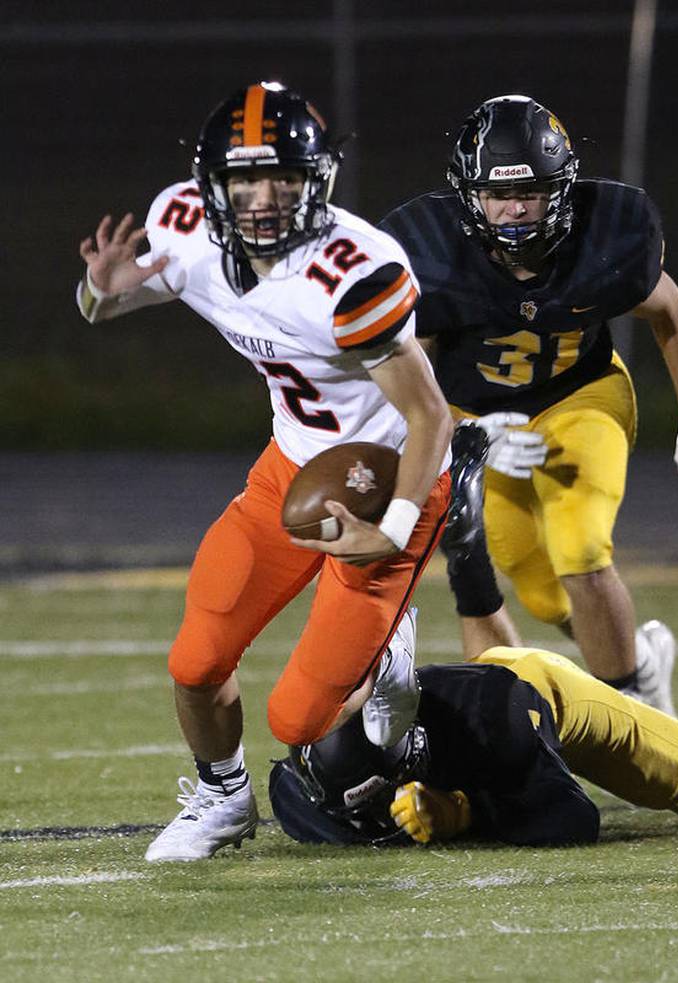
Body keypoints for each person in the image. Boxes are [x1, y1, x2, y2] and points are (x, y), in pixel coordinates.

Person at [76, 81, 453, 862]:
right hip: (291, 463)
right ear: (212, 186)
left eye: (282, 177)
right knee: (196, 658)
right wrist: (100, 292)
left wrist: (393, 527)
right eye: (245, 180)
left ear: (317, 181)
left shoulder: (354, 273)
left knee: (299, 718)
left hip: (385, 477)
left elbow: (431, 417)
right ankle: (221, 798)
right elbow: (104, 303)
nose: (263, 198)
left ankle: (390, 645)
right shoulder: (182, 225)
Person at [379, 94, 678, 714]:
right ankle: (639, 662)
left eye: (533, 193)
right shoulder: (429, 256)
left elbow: (669, 311)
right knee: (539, 587)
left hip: (582, 393)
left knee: (581, 547)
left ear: (563, 189)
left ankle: (633, 708)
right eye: (497, 194)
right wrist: (470, 432)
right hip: (479, 417)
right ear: (468, 195)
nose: (515, 209)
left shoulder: (606, 233)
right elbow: (407, 375)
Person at [270, 546, 678, 847]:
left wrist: (464, 813)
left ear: (411, 761)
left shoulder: (497, 722)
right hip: (474, 688)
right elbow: (291, 791)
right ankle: (467, 545)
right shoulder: (307, 779)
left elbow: (573, 819)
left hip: (546, 699)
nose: (365, 821)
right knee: (486, 689)